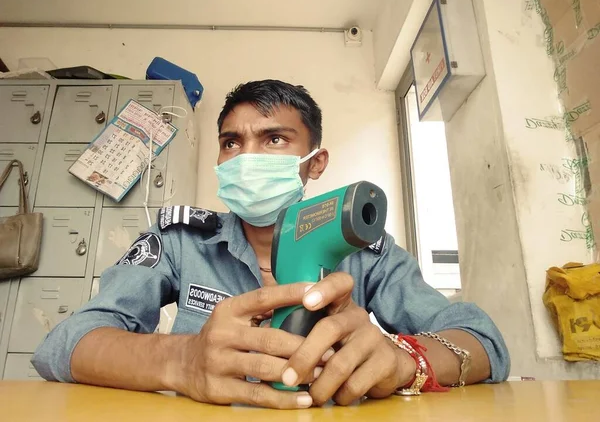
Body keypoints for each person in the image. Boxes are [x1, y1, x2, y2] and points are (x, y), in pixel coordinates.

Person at [32, 80, 509, 409]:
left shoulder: (365, 251)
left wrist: (407, 361)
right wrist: (181, 360)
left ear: (315, 163)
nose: (247, 157)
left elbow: (483, 342)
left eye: (274, 138)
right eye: (232, 142)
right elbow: (65, 344)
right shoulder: (181, 241)